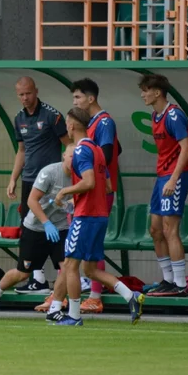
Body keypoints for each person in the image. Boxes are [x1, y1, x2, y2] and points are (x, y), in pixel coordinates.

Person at [54, 108, 144, 327]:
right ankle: (130, 296)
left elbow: (90, 182)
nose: (66, 126)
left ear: (72, 126)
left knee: (70, 265)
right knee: (91, 269)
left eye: (67, 122)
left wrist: (66, 192)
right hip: (99, 215)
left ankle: (74, 316)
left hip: (85, 216)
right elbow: (108, 185)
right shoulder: (97, 150)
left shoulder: (81, 151)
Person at [0, 160, 71, 322]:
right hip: (35, 228)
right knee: (23, 273)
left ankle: (55, 309)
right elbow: (31, 201)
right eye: (72, 156)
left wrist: (68, 207)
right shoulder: (50, 172)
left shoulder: (81, 175)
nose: (75, 160)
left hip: (60, 229)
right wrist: (46, 223)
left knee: (66, 267)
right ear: (65, 156)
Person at [5, 76, 68, 298]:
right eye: (21, 94)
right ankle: (37, 279)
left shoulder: (52, 115)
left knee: (54, 227)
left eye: (28, 93)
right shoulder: (18, 119)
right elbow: (21, 151)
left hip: (51, 183)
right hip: (30, 181)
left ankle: (65, 274)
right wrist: (14, 178)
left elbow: (69, 146)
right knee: (29, 229)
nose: (25, 98)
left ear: (36, 91)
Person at [140, 73, 188, 298]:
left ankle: (180, 284)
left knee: (171, 229)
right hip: (162, 176)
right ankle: (168, 280)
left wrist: (173, 179)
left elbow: (186, 149)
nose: (143, 94)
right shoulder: (155, 115)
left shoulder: (174, 115)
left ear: (157, 92)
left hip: (174, 177)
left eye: (145, 90)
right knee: (155, 229)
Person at [70, 77, 118, 313]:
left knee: (90, 246)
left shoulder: (104, 122)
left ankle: (95, 295)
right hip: (87, 192)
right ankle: (65, 295)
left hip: (96, 192)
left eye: (78, 97)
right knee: (78, 247)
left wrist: (103, 179)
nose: (75, 102)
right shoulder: (90, 123)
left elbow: (108, 155)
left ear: (91, 98)